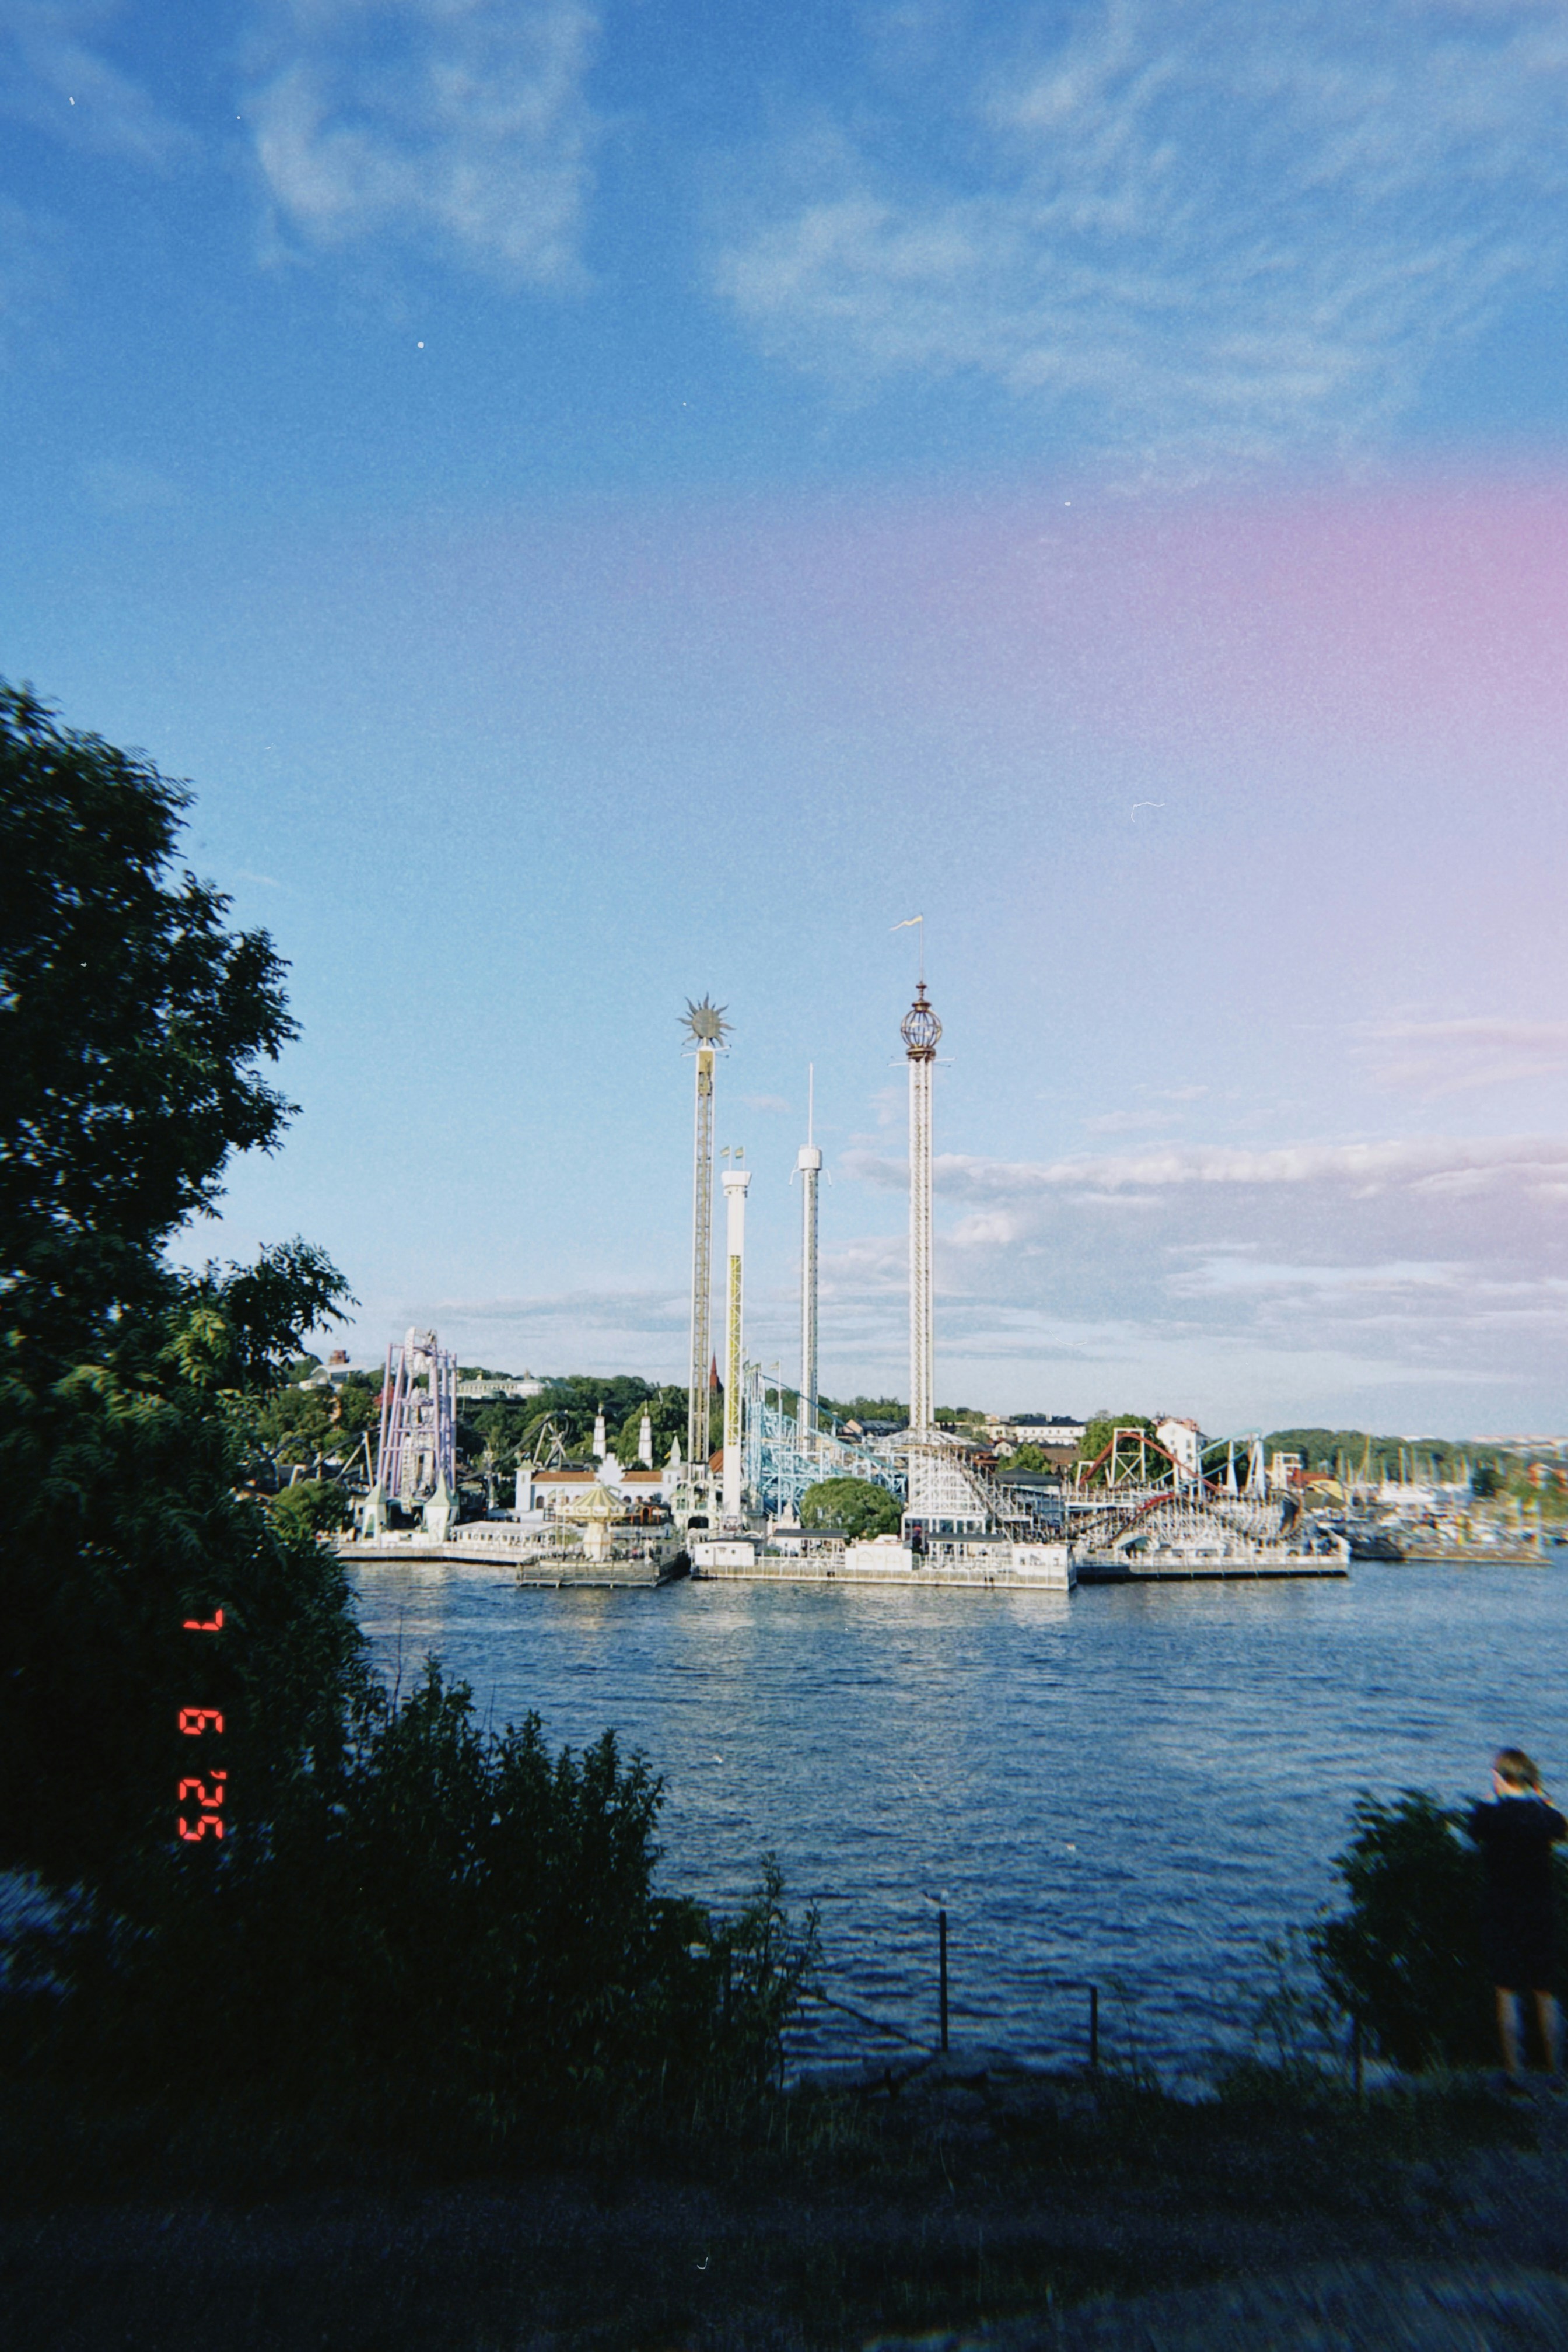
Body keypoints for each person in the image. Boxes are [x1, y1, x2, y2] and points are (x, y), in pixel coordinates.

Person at [1468, 1748, 1567, 2086]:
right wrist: (1542, 1799)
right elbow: (1562, 1827)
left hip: (1500, 1910)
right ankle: (1556, 2074)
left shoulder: (1489, 1816)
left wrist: (1492, 1796)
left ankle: (1515, 2074)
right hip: (1540, 1910)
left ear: (1498, 1777)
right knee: (1545, 1992)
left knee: (1506, 1992)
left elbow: (1474, 1827)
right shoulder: (1544, 1818)